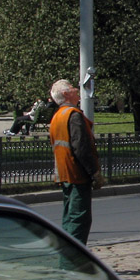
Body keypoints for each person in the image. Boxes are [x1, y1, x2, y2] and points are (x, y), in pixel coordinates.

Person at [49, 79, 104, 244]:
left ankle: (67, 252)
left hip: (64, 174)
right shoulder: (73, 116)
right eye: (72, 88)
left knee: (69, 217)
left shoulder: (57, 116)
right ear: (66, 94)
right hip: (77, 174)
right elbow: (82, 148)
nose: (76, 89)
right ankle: (74, 255)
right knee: (79, 219)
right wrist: (94, 173)